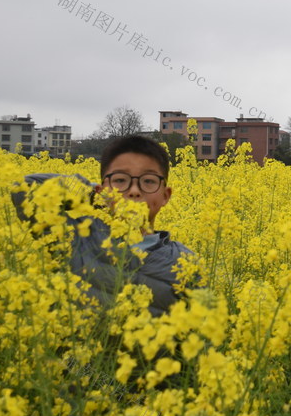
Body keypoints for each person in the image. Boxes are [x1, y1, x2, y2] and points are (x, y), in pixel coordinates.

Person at [12, 135, 197, 316]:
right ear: (101, 191)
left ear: (166, 195)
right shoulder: (76, 237)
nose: (134, 191)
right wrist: (89, 192)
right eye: (120, 180)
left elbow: (198, 336)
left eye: (148, 181)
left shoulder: (184, 262)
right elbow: (25, 188)